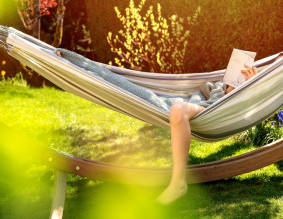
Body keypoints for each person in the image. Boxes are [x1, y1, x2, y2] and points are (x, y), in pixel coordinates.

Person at [56, 50, 257, 204]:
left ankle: (178, 183)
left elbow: (236, 104)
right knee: (123, 84)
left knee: (177, 109)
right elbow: (206, 92)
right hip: (179, 102)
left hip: (194, 109)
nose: (234, 83)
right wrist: (227, 87)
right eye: (234, 79)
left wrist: (249, 85)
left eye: (239, 83)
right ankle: (75, 61)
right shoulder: (216, 88)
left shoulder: (234, 98)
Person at [155, 64, 257, 204]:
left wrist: (252, 85)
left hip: (215, 109)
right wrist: (231, 83)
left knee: (178, 109)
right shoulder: (236, 83)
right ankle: (177, 183)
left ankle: (177, 183)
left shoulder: (257, 83)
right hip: (209, 103)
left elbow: (245, 105)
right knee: (178, 109)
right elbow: (222, 92)